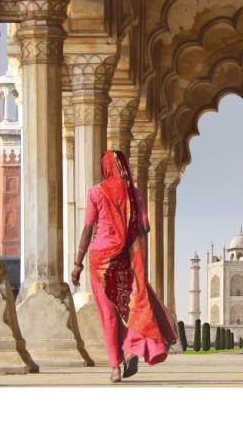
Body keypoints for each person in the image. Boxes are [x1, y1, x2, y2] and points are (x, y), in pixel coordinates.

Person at [71, 149, 178, 382]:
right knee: (132, 308)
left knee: (108, 313)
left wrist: (77, 263)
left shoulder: (95, 193)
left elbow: (88, 228)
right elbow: (145, 227)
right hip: (126, 261)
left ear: (105, 168)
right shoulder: (135, 195)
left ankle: (114, 368)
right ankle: (131, 348)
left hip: (100, 261)